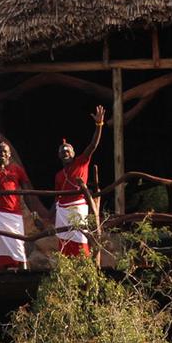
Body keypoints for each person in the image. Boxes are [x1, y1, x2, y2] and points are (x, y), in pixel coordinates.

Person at [0, 121, 48, 270]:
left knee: (18, 245)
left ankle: (23, 271)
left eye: (5, 151)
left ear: (9, 155)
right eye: (0, 151)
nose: (2, 153)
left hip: (14, 214)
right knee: (0, 246)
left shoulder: (17, 170)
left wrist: (34, 214)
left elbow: (27, 194)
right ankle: (1, 273)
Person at [53, 105, 106, 257]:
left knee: (81, 241)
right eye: (62, 151)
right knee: (64, 244)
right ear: (59, 156)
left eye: (68, 150)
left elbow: (93, 145)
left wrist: (99, 125)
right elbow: (57, 198)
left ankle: (84, 268)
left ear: (74, 153)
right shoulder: (58, 175)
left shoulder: (82, 161)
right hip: (62, 211)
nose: (65, 152)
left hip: (78, 206)